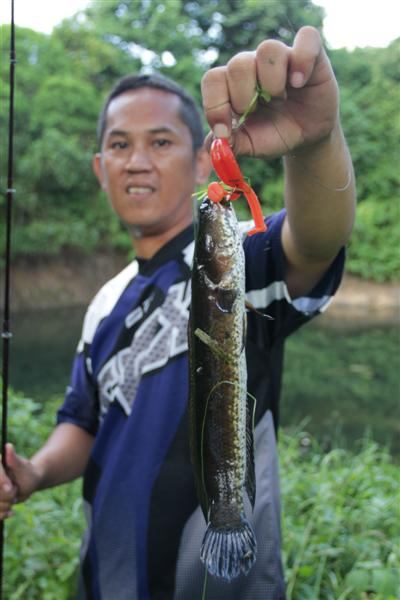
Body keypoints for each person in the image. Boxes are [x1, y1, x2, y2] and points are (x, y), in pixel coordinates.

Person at [0, 26, 355, 599]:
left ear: (200, 163)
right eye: (120, 145)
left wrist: (315, 143)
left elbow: (315, 240)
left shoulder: (239, 260)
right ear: (100, 168)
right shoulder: (104, 303)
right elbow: (84, 420)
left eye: (161, 142)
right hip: (107, 582)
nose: (137, 162)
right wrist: (34, 472)